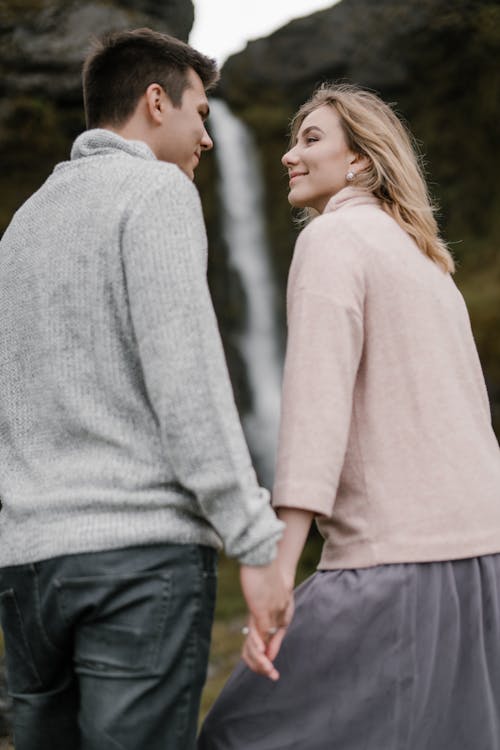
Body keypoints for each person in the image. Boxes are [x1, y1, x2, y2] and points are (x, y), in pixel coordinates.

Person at [0, 28, 291, 750]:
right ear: (155, 101)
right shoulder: (156, 191)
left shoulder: (23, 224)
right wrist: (255, 544)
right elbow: (187, 383)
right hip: (137, 563)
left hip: (27, 568)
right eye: (200, 114)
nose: (209, 138)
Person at [198, 83, 500, 749]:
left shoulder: (334, 238)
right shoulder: (428, 259)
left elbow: (316, 405)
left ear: (360, 161)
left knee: (234, 736)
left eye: (311, 139)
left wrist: (279, 567)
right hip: (482, 559)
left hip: (390, 560)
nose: (288, 155)